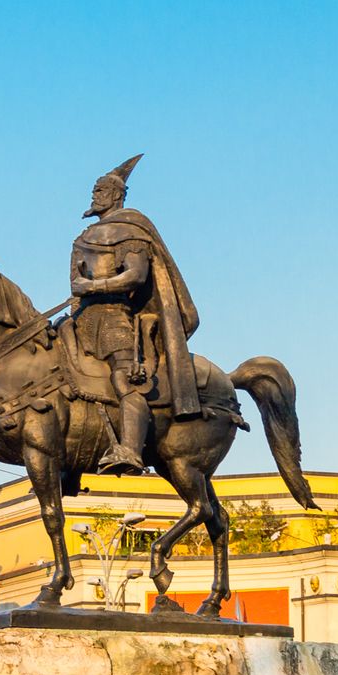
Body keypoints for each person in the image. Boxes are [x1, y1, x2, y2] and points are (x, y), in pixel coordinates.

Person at [68, 154, 202, 475]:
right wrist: (84, 289)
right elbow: (74, 282)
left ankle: (129, 449)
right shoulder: (83, 237)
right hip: (82, 318)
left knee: (124, 379)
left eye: (100, 190)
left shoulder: (131, 231)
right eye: (95, 190)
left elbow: (136, 276)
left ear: (116, 196)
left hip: (116, 318)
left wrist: (95, 285)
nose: (94, 195)